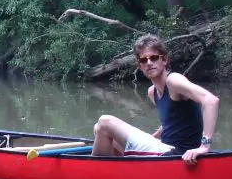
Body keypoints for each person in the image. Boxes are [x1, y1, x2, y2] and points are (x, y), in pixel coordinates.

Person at [92, 34, 220, 165]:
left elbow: (211, 100)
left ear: (164, 60)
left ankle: (94, 173)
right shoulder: (152, 92)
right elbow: (172, 122)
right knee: (99, 130)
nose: (149, 63)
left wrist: (204, 146)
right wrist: (153, 137)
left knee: (104, 122)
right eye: (143, 60)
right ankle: (115, 175)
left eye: (153, 58)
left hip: (178, 154)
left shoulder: (173, 81)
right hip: (164, 147)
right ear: (140, 66)